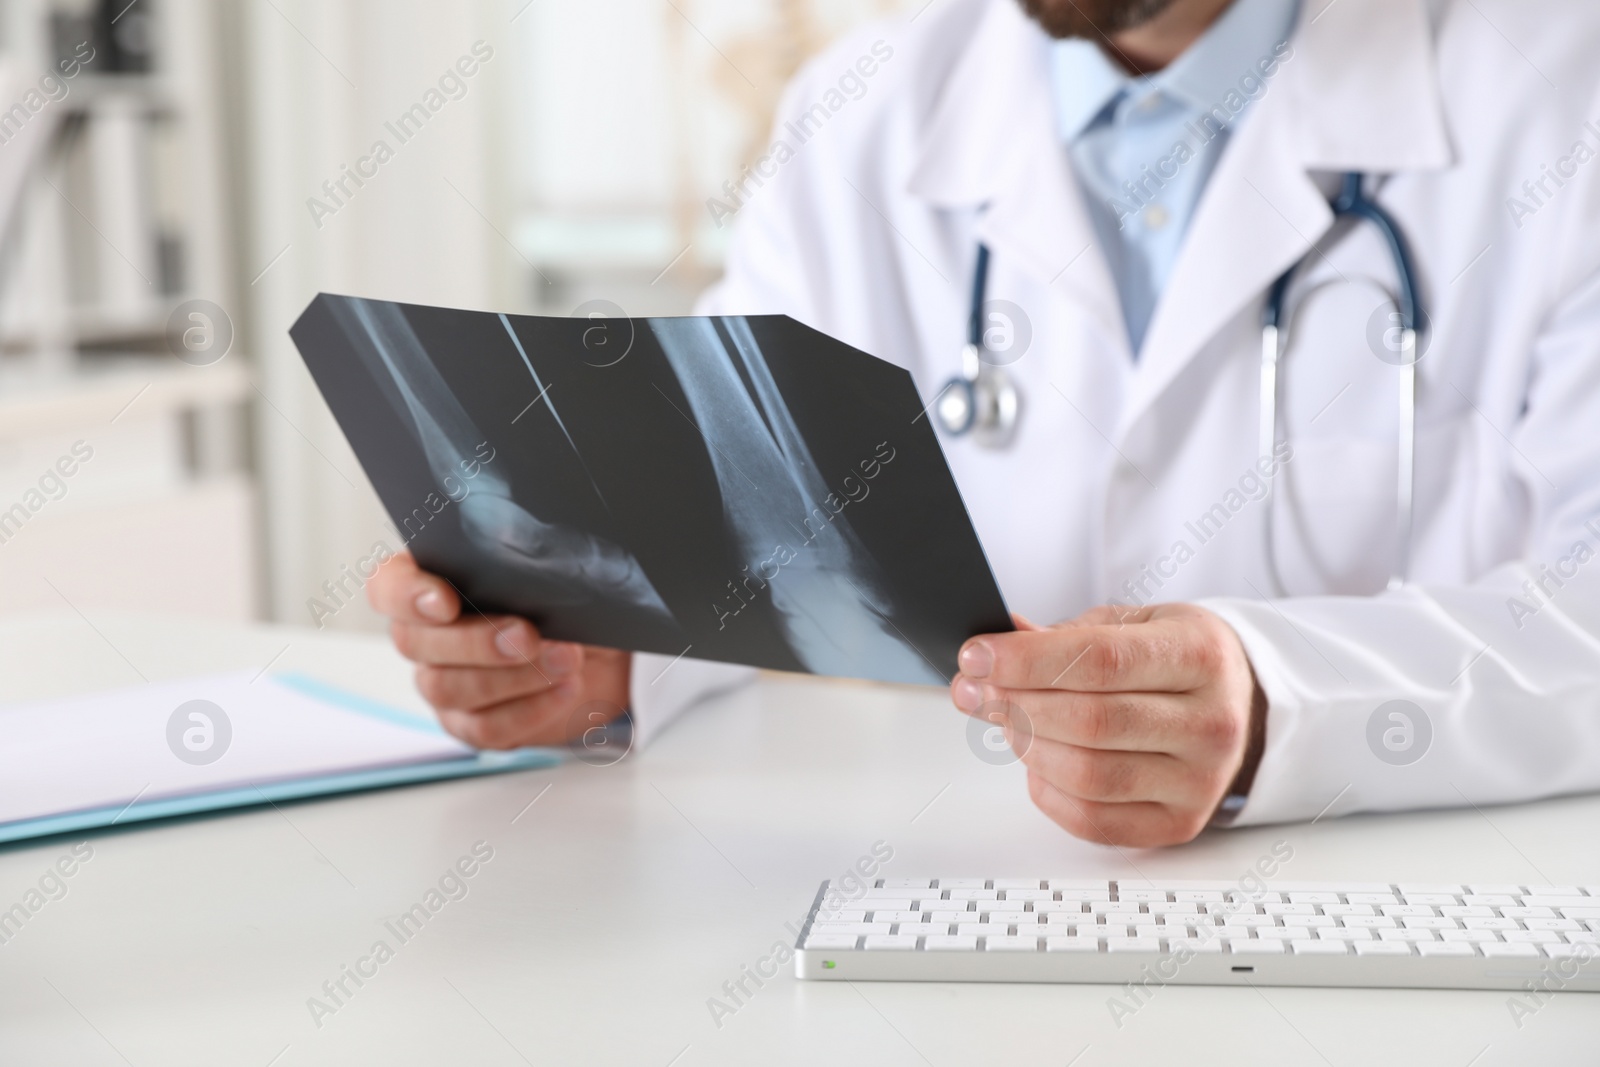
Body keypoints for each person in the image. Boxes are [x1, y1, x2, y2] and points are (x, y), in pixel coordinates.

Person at [368, 0, 1600, 847]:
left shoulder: (1557, 98)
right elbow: (753, 530)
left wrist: (1284, 701)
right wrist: (614, 650)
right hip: (965, 904)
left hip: (1413, 914)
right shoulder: (859, 115)